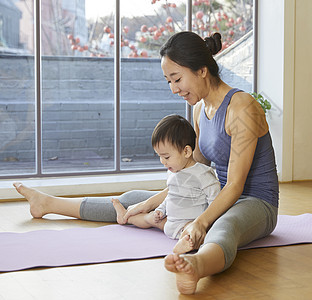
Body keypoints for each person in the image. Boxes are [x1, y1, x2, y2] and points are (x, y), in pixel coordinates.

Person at [13, 31, 279, 295]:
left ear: (201, 70)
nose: (174, 89)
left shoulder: (242, 108)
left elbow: (234, 185)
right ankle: (48, 203)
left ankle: (195, 266)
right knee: (133, 199)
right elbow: (194, 172)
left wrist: (201, 222)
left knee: (224, 225)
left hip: (254, 202)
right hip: (213, 196)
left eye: (177, 79)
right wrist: (150, 202)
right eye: (169, 82)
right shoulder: (200, 109)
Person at [111, 114, 220, 254]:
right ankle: (125, 217)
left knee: (194, 235)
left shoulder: (203, 174)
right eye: (160, 156)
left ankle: (185, 244)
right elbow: (171, 196)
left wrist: (207, 223)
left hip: (188, 224)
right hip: (169, 223)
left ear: (186, 151)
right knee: (148, 218)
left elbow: (215, 201)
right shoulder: (173, 172)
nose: (163, 161)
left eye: (166, 157)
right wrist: (161, 210)